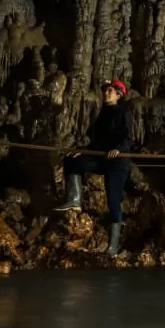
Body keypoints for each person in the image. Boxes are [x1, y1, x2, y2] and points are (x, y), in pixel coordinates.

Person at [55, 79, 134, 256]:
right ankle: (75, 200)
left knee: (113, 202)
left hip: (118, 163)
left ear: (119, 95)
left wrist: (118, 149)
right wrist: (82, 152)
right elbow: (96, 142)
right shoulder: (103, 113)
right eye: (105, 90)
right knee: (71, 160)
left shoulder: (123, 112)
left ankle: (112, 247)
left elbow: (129, 138)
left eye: (110, 91)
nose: (106, 93)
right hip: (102, 159)